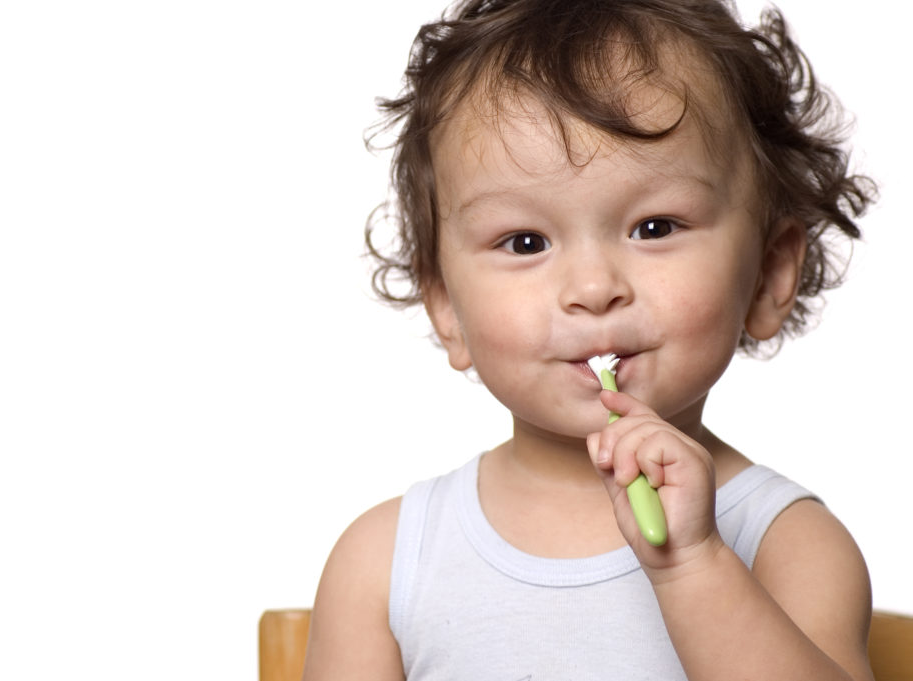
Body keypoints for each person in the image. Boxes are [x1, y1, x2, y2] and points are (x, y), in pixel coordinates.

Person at [304, 1, 876, 679]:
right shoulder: (385, 562)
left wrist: (693, 564)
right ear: (446, 306)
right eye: (525, 242)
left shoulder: (790, 543)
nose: (593, 286)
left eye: (655, 227)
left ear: (768, 275)